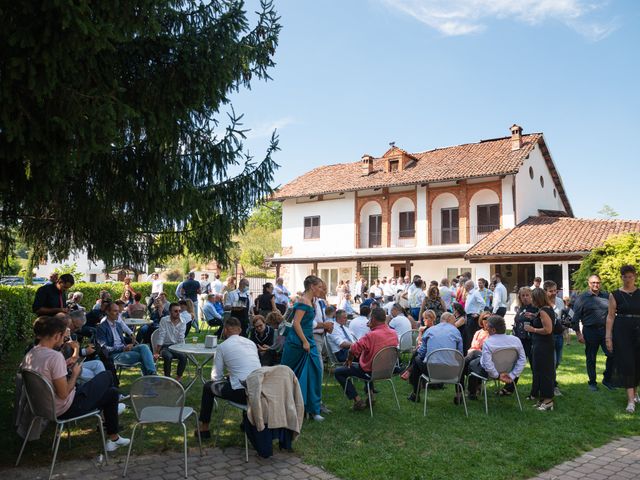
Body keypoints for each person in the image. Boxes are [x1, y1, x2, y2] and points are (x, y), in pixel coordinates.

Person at [22, 315, 130, 452]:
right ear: (56, 335)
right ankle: (106, 416)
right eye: (63, 336)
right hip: (64, 409)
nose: (64, 340)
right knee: (108, 376)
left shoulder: (31, 354)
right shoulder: (54, 357)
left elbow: (48, 376)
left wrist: (66, 366)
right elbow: (63, 393)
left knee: (112, 394)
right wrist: (75, 374)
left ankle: (114, 437)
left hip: (40, 407)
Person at [197, 317, 261, 438]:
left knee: (208, 387)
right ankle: (245, 422)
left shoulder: (222, 347)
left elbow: (216, 376)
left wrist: (228, 377)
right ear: (240, 330)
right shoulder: (251, 343)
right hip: (259, 389)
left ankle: (204, 428)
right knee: (244, 380)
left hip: (242, 393)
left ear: (225, 330)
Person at [335, 307, 398, 410]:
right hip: (387, 370)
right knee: (367, 361)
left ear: (372, 319)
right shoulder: (393, 333)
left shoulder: (371, 335)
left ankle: (358, 400)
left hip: (370, 372)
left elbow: (353, 349)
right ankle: (371, 395)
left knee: (339, 372)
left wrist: (349, 360)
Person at [281, 275, 325, 421]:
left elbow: (308, 323)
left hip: (308, 340)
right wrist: (305, 342)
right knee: (294, 375)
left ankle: (313, 408)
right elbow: (296, 323)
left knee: (315, 373)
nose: (321, 289)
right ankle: (294, 407)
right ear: (312, 287)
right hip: (298, 343)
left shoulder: (311, 301)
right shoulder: (303, 301)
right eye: (319, 287)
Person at [606, 265, 640, 413]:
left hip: (638, 330)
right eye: (625, 276)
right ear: (621, 277)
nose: (628, 279)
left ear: (635, 277)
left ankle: (635, 392)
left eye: (630, 276)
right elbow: (610, 316)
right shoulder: (615, 294)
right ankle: (630, 401)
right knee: (627, 363)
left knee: (638, 362)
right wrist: (608, 336)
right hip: (622, 331)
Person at [571, 274, 615, 391]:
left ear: (600, 283)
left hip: (605, 331)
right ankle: (592, 382)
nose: (596, 285)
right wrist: (578, 334)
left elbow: (612, 314)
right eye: (593, 283)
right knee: (591, 357)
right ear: (589, 283)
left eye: (598, 282)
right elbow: (575, 317)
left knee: (612, 354)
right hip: (590, 331)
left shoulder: (607, 296)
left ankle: (607, 379)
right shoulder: (582, 298)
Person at [407, 312, 463, 403]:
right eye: (454, 322)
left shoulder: (430, 330)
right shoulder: (456, 331)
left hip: (431, 371)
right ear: (449, 320)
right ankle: (459, 395)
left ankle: (415, 394)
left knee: (417, 359)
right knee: (461, 364)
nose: (454, 324)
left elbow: (421, 353)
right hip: (451, 372)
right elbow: (460, 354)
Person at [467, 315, 526, 400]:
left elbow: (487, 364)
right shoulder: (516, 340)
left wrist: (497, 375)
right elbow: (522, 360)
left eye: (488, 327)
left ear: (493, 330)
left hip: (488, 373)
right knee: (474, 355)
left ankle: (472, 393)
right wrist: (513, 374)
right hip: (508, 370)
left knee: (471, 364)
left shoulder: (488, 343)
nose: (486, 329)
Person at [96, 302, 157, 376]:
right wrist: (122, 349)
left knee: (144, 347)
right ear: (107, 312)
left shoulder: (118, 325)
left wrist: (127, 345)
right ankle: (152, 377)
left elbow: (123, 335)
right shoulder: (102, 327)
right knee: (144, 356)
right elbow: (104, 348)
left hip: (124, 350)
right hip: (114, 354)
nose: (118, 313)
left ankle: (151, 376)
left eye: (118, 311)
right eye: (115, 311)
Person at [524, 288, 555, 411]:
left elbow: (548, 330)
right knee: (539, 371)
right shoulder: (544, 310)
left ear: (537, 298)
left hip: (543, 345)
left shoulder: (543, 311)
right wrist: (533, 316)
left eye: (532, 297)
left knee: (544, 371)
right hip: (541, 344)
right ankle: (542, 398)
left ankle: (548, 400)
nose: (531, 300)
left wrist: (533, 329)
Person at [154, 302, 187, 381]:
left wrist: (183, 349)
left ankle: (178, 378)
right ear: (170, 312)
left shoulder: (183, 321)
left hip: (177, 346)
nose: (178, 313)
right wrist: (157, 352)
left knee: (184, 356)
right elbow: (161, 336)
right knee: (168, 356)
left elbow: (181, 338)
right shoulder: (164, 320)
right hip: (165, 346)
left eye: (179, 311)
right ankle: (168, 379)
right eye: (175, 311)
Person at [543, 280, 565, 396]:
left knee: (558, 361)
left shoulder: (560, 302)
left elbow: (564, 316)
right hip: (549, 336)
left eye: (555, 290)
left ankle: (551, 381)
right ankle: (553, 386)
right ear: (545, 292)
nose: (554, 293)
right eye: (551, 291)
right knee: (553, 361)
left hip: (559, 335)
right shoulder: (543, 304)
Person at [463, 280, 486, 355]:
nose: (464, 287)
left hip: (473, 317)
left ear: (469, 286)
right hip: (469, 316)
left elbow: (483, 303)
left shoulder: (475, 293)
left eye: (465, 286)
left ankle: (472, 352)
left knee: (471, 336)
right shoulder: (469, 294)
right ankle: (468, 352)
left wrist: (478, 313)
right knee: (468, 335)